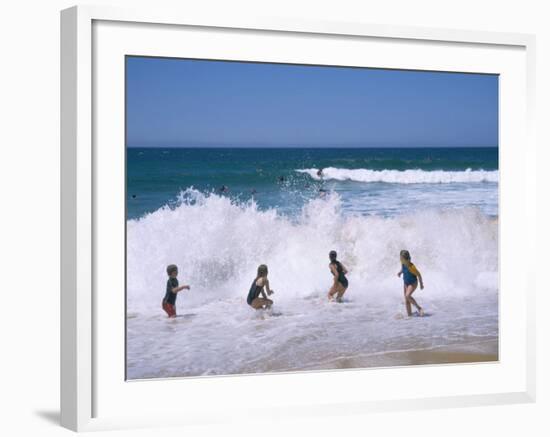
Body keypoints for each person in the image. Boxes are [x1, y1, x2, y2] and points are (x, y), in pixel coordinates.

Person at [397, 250, 425, 317]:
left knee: (407, 296)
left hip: (413, 283)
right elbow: (403, 269)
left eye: (401, 258)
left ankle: (419, 308)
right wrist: (400, 272)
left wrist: (421, 284)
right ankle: (409, 315)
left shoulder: (411, 267)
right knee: (407, 300)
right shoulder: (403, 263)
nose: (400, 259)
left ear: (405, 259)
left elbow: (419, 275)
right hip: (406, 283)